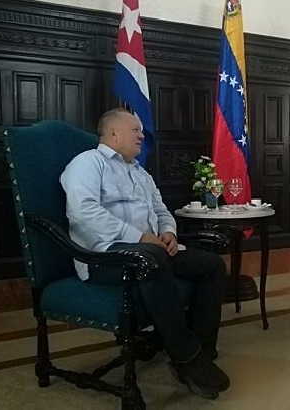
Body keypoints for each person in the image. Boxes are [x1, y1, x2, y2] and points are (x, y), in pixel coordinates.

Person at [60, 108, 230, 399]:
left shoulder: (140, 172)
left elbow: (161, 210)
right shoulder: (87, 163)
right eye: (135, 130)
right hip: (105, 256)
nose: (142, 135)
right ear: (113, 133)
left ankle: (203, 350)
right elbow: (83, 212)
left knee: (212, 265)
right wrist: (139, 237)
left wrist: (169, 233)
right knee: (152, 258)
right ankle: (185, 356)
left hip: (153, 249)